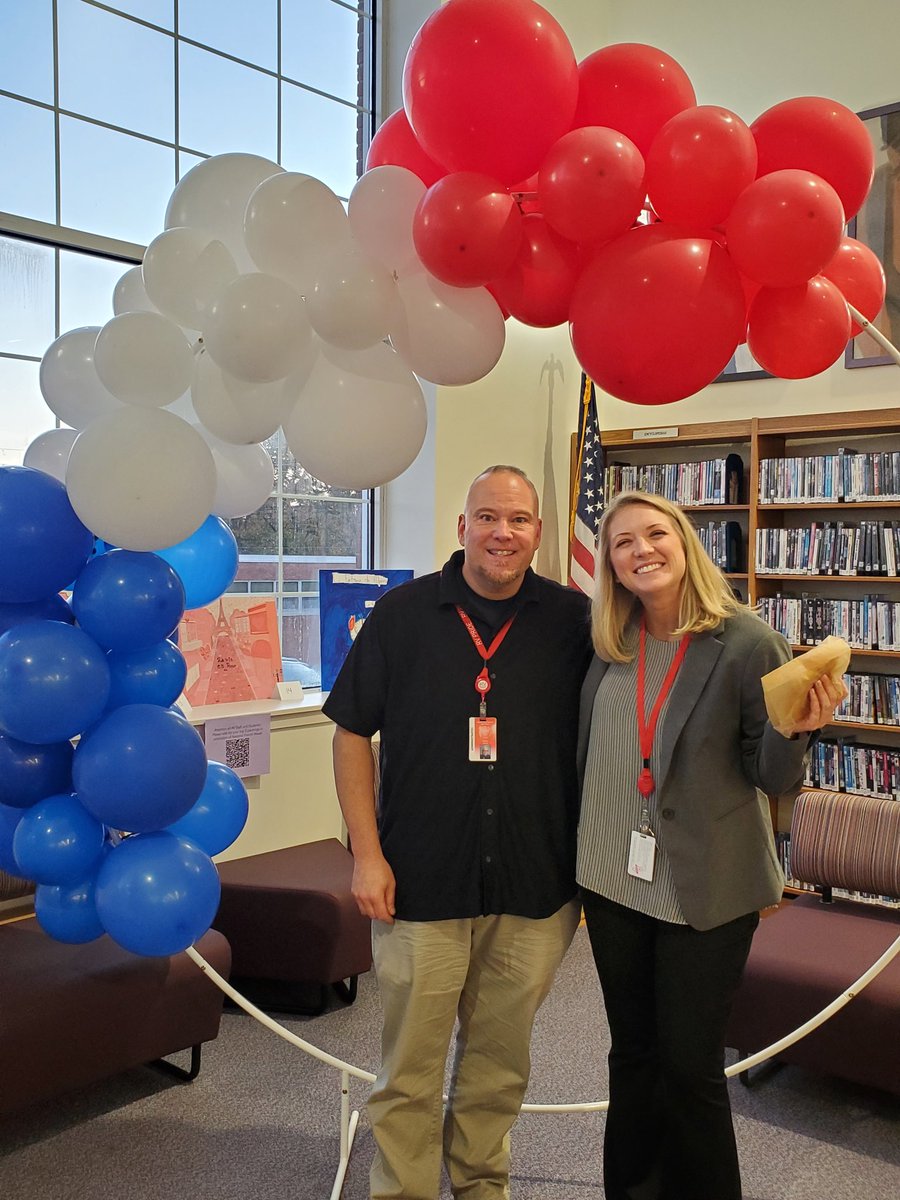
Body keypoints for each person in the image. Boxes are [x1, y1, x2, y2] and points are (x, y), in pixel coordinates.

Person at [323, 465, 592, 1200]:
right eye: (488, 517)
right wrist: (366, 855)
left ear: (538, 530)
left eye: (520, 519)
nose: (503, 533)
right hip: (419, 879)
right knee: (409, 1068)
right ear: (463, 526)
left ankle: (480, 1185)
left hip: (536, 887)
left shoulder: (574, 622)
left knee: (499, 1067)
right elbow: (350, 735)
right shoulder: (402, 616)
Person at [576, 490, 844, 1200]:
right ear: (609, 561)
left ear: (684, 541)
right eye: (623, 541)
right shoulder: (607, 640)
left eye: (655, 533)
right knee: (632, 1055)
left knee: (690, 1067)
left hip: (706, 887)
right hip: (610, 880)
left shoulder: (748, 642)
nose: (642, 550)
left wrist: (796, 731)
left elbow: (771, 776)